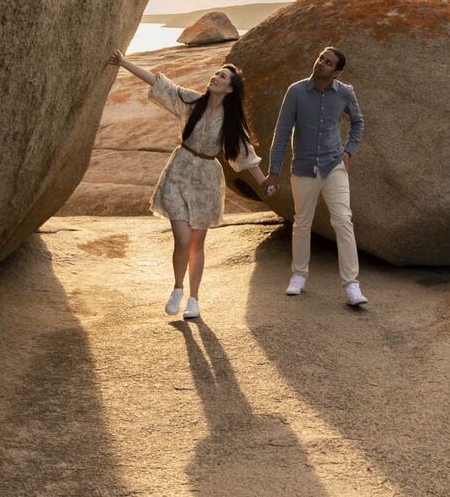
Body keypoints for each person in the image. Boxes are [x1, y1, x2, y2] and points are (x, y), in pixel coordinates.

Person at [110, 51, 278, 320]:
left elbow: (246, 157)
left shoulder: (231, 122)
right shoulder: (192, 101)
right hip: (178, 172)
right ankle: (177, 288)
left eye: (222, 76)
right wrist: (124, 63)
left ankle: (194, 298)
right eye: (216, 74)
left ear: (230, 88)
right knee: (182, 239)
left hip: (205, 180)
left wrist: (264, 182)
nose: (215, 77)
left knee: (196, 244)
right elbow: (159, 84)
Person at [270, 46, 367, 307]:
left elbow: (358, 122)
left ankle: (351, 285)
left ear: (336, 72)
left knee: (343, 220)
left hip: (334, 165)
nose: (320, 63)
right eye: (320, 58)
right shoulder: (296, 91)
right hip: (303, 167)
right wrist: (274, 171)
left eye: (327, 62)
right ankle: (299, 275)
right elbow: (281, 132)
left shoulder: (345, 93)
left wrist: (348, 152)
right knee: (302, 222)